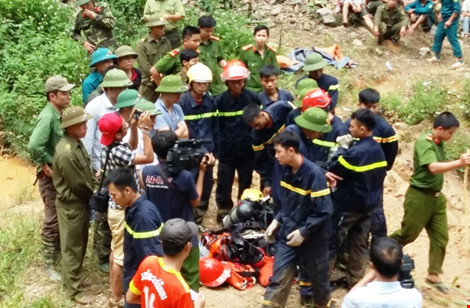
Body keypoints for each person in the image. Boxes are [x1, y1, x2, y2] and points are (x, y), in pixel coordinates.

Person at [390, 112, 470, 294]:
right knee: (408, 234)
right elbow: (433, 167)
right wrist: (459, 162)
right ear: (440, 129)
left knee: (441, 237)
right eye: (450, 133)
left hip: (436, 197)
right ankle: (381, 252)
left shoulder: (438, 142)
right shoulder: (424, 142)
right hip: (420, 196)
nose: (452, 136)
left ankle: (434, 274)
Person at [262, 131, 333, 308]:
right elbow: (287, 202)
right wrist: (277, 221)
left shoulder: (314, 175)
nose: (276, 156)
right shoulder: (285, 170)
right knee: (279, 278)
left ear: (291, 151)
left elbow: (324, 211)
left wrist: (304, 231)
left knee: (319, 283)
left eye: (278, 151)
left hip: (314, 239)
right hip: (288, 235)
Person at [142, 131, 216, 291]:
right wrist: (202, 172)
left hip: (159, 232)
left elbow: (146, 189)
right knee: (190, 275)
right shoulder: (184, 176)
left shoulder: (147, 171)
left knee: (162, 273)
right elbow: (195, 201)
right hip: (183, 230)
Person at [98, 108, 155, 307]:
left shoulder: (109, 144)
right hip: (120, 208)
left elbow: (129, 145)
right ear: (118, 134)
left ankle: (114, 290)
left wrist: (131, 127)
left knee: (116, 250)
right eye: (123, 126)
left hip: (114, 206)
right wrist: (146, 131)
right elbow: (147, 157)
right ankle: (115, 298)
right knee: (122, 257)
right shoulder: (118, 151)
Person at [327, 109, 387, 288]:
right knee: (360, 244)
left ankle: (322, 282)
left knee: (332, 240)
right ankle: (355, 281)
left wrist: (341, 149)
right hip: (369, 206)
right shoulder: (377, 149)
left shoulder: (355, 153)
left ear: (362, 129)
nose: (349, 129)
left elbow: (334, 168)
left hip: (348, 206)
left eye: (352, 127)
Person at [83, 68, 133, 274]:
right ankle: (102, 255)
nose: (124, 90)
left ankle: (119, 250)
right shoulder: (95, 107)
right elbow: (88, 140)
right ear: (111, 88)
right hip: (102, 169)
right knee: (103, 212)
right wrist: (94, 166)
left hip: (121, 165)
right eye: (121, 87)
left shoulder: (123, 106)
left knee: (121, 211)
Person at [28, 75, 75, 283]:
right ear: (52, 96)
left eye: (68, 92)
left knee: (60, 213)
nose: (68, 96)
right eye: (63, 93)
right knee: (52, 217)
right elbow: (34, 145)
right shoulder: (47, 117)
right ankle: (48, 263)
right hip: (50, 177)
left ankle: (58, 254)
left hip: (60, 173)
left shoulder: (58, 114)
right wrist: (45, 164)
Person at [104, 167, 164, 308]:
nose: (113, 199)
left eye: (114, 195)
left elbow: (151, 259)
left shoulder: (143, 218)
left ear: (127, 191)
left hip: (142, 285)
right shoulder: (132, 208)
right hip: (134, 280)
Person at [52, 106, 94, 304]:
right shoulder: (66, 152)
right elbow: (77, 184)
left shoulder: (76, 144)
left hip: (80, 204)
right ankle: (73, 291)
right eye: (81, 124)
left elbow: (84, 172)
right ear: (70, 128)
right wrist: (93, 195)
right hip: (72, 205)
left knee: (80, 244)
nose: (86, 127)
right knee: (72, 247)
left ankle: (74, 279)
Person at [215, 60, 260, 223]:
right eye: (233, 81)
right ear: (227, 82)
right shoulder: (219, 101)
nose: (237, 84)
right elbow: (216, 126)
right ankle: (223, 212)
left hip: (247, 151)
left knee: (246, 182)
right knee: (224, 183)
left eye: (240, 81)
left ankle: (243, 211)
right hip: (226, 151)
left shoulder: (253, 97)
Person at [126, 218, 206, 308]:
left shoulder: (148, 262)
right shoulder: (181, 290)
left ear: (162, 243)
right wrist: (198, 306)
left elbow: (129, 298)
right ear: (187, 246)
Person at [355, 88, 399, 242]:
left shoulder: (385, 130)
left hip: (373, 179)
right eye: (368, 107)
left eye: (375, 107)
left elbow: (390, 154)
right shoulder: (351, 124)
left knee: (376, 213)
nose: (372, 110)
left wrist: (380, 171)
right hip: (353, 178)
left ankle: (380, 248)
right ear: (359, 105)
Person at [179, 63, 220, 225]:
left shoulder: (211, 102)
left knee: (206, 185)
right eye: (199, 83)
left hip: (207, 153)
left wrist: (215, 154)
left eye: (205, 83)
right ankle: (186, 215)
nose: (202, 86)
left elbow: (215, 129)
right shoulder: (183, 103)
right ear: (190, 83)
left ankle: (198, 217)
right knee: (188, 184)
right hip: (189, 155)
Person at [341, 237, 423, 308]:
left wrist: (370, 274)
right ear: (401, 263)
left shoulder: (357, 297)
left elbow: (350, 299)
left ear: (372, 266)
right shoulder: (414, 297)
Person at [242, 101, 293, 196]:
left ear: (262, 114)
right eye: (253, 127)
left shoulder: (282, 108)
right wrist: (267, 183)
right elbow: (261, 161)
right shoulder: (256, 135)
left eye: (257, 124)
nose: (256, 128)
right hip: (278, 161)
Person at [136, 15, 171, 103]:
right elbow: (145, 66)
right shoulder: (142, 44)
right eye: (159, 27)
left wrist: (163, 76)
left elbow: (170, 61)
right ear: (152, 28)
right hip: (149, 85)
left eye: (163, 26)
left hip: (165, 82)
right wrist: (156, 76)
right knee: (145, 109)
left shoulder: (166, 42)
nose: (163, 28)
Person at [239, 25, 279, 93]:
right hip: (250, 89)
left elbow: (275, 70)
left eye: (264, 36)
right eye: (259, 35)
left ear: (267, 37)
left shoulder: (271, 52)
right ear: (254, 37)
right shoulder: (246, 52)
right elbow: (241, 71)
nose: (261, 38)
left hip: (267, 89)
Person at [426, 0, 464, 68]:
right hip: (443, 19)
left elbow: (456, 10)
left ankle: (459, 60)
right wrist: (441, 14)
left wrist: (450, 21)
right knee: (438, 36)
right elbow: (442, 5)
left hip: (452, 20)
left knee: (452, 38)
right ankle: (436, 56)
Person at [197, 15, 227, 96]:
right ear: (199, 28)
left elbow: (220, 59)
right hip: (201, 84)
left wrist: (227, 66)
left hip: (216, 85)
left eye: (212, 30)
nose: (210, 33)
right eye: (207, 31)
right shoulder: (194, 43)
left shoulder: (216, 42)